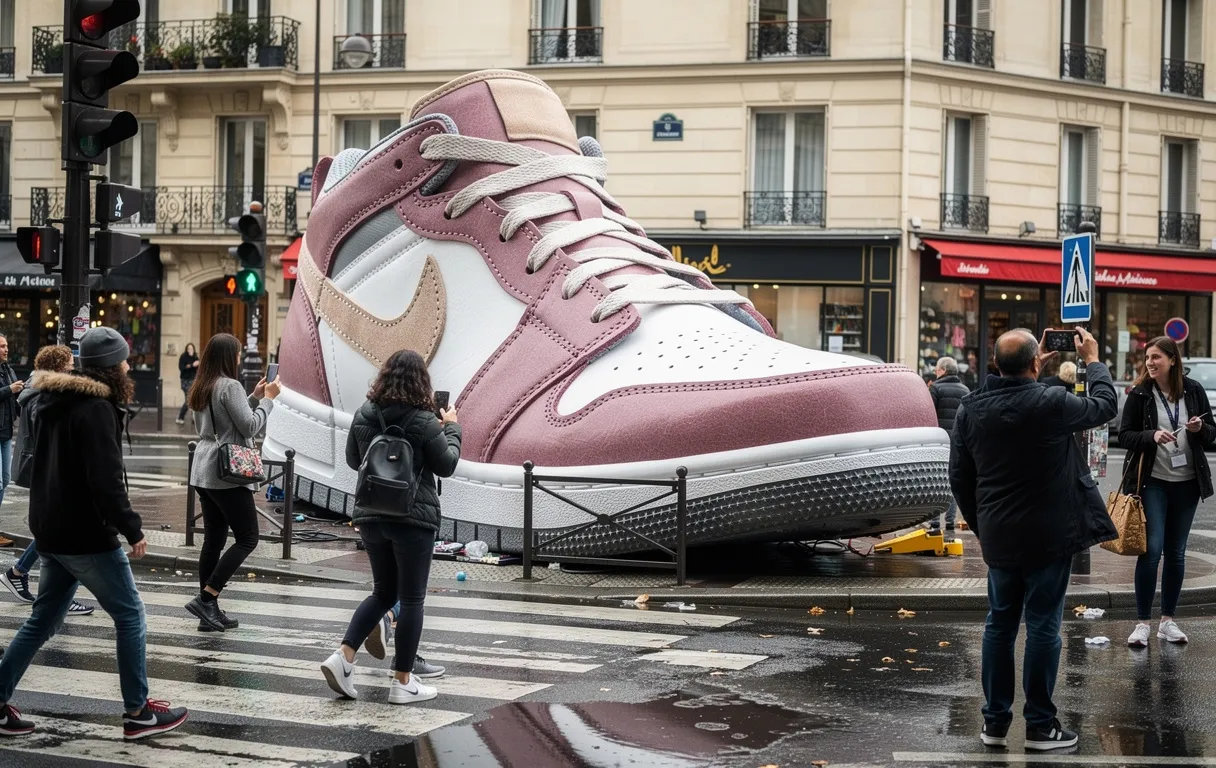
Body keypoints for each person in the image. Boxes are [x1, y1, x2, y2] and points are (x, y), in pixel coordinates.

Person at [0, 327, 187, 739]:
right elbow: (105, 482)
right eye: (123, 360)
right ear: (110, 369)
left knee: (43, 619)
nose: (128, 365)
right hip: (85, 534)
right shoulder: (96, 409)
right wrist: (131, 528)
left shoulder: (57, 400)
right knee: (131, 614)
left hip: (51, 530)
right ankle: (137, 712)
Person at [950, 327, 1116, 751]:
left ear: (994, 365)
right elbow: (1104, 406)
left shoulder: (970, 409)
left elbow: (960, 479)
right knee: (1043, 625)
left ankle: (994, 723)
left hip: (1000, 535)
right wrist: (1093, 360)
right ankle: (1041, 726)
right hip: (1049, 533)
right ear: (1034, 363)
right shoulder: (1050, 402)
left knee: (999, 625)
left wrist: (982, 525)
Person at [321, 349, 461, 704]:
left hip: (371, 516)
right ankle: (402, 682)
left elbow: (354, 460)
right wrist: (454, 429)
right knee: (412, 600)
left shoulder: (365, 413)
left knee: (383, 592)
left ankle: (343, 656)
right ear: (421, 382)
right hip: (412, 519)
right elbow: (446, 465)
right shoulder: (425, 420)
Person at [1118, 336, 1216, 647]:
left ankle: (1168, 621)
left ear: (1172, 360)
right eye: (1147, 357)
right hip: (1153, 482)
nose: (1150, 362)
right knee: (1152, 552)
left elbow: (1212, 433)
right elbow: (1124, 435)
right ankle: (1142, 623)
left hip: (1187, 483)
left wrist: (1201, 430)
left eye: (1156, 357)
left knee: (1176, 554)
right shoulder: (1140, 394)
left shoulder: (1194, 391)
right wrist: (1151, 435)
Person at [184, 333, 279, 632]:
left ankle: (208, 613)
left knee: (213, 539)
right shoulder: (229, 385)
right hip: (227, 472)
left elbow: (222, 420)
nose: (240, 358)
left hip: (203, 468)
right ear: (229, 357)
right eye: (237, 354)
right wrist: (269, 402)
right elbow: (249, 425)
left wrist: (253, 397)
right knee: (248, 538)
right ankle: (207, 597)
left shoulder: (202, 385)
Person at [0, 345, 94, 616]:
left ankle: (19, 572)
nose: (73, 365)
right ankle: (58, 595)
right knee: (61, 531)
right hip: (52, 473)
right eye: (69, 361)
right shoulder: (44, 395)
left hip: (49, 472)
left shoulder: (41, 390)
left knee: (55, 530)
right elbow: (50, 437)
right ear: (58, 365)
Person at [929, 356, 969, 534]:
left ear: (943, 370)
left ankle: (935, 521)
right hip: (957, 440)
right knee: (952, 480)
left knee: (936, 479)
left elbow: (929, 412)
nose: (936, 373)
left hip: (939, 440)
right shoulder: (965, 390)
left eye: (937, 369)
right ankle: (951, 520)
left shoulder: (936, 388)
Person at [0, 334, 21, 510]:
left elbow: (15, 400)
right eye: (1, 346)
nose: (6, 349)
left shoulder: (8, 370)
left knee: (6, 479)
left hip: (6, 432)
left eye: (6, 346)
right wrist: (10, 389)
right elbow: (8, 392)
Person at [175, 343, 200, 426]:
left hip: (193, 380)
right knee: (188, 400)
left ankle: (194, 418)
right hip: (185, 381)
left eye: (192, 348)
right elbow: (181, 368)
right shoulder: (183, 357)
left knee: (193, 399)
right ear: (186, 349)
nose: (190, 350)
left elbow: (198, 367)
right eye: (189, 348)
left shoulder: (195, 356)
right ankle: (180, 417)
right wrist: (192, 365)